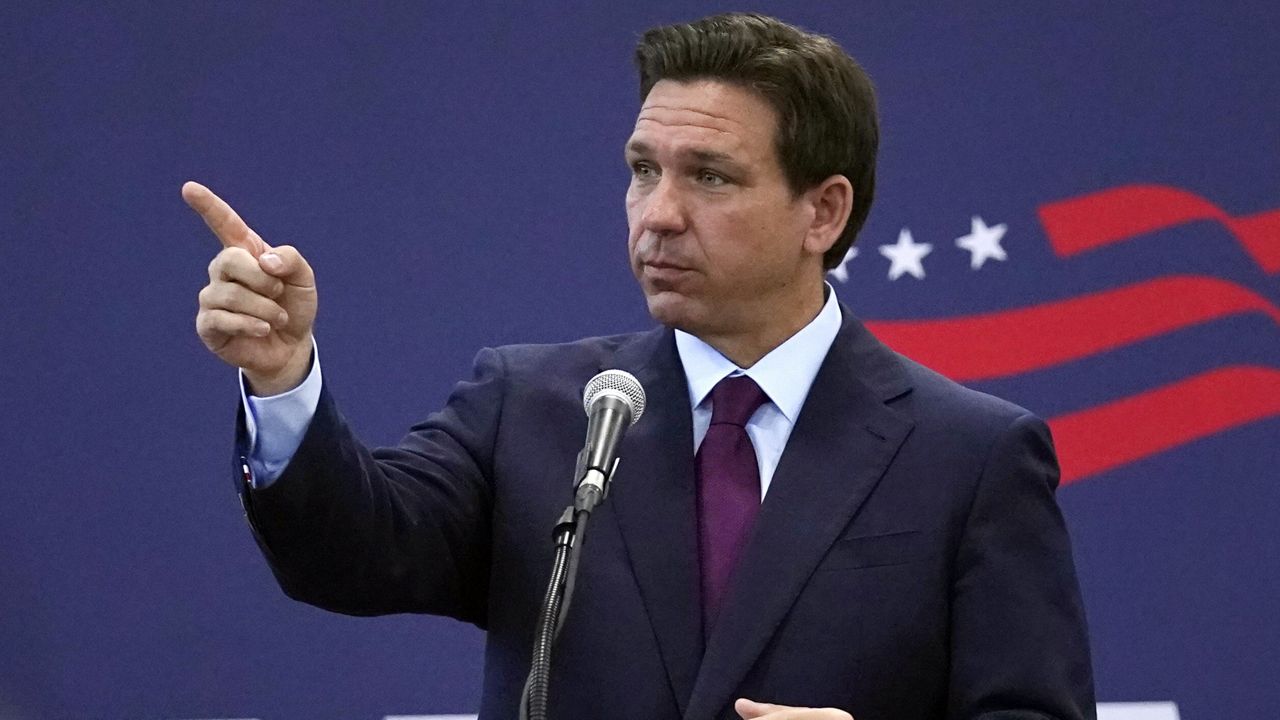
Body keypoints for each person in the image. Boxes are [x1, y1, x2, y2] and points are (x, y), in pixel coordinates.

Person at [186, 13, 1094, 720]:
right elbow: (354, 555)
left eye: (709, 177)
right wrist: (282, 376)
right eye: (640, 169)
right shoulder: (535, 407)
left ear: (823, 212)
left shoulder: (969, 457)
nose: (656, 214)